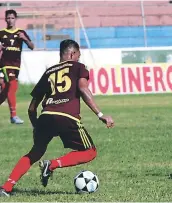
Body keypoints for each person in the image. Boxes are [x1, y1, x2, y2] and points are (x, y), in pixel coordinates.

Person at [0, 39, 114, 197]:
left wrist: (36, 126)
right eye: (78, 56)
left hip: (45, 116)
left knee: (36, 151)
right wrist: (101, 115)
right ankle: (52, 164)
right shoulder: (78, 67)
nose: (78, 59)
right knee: (90, 152)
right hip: (67, 116)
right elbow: (83, 88)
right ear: (73, 53)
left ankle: (6, 187)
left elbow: (32, 108)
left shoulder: (49, 72)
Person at [0, 9, 34, 124]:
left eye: (12, 18)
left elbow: (32, 46)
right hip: (5, 64)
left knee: (6, 90)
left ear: (16, 19)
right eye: (8, 18)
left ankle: (13, 116)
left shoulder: (21, 33)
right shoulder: (1, 33)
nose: (10, 20)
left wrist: (24, 38)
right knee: (12, 85)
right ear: (5, 19)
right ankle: (13, 116)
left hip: (16, 65)